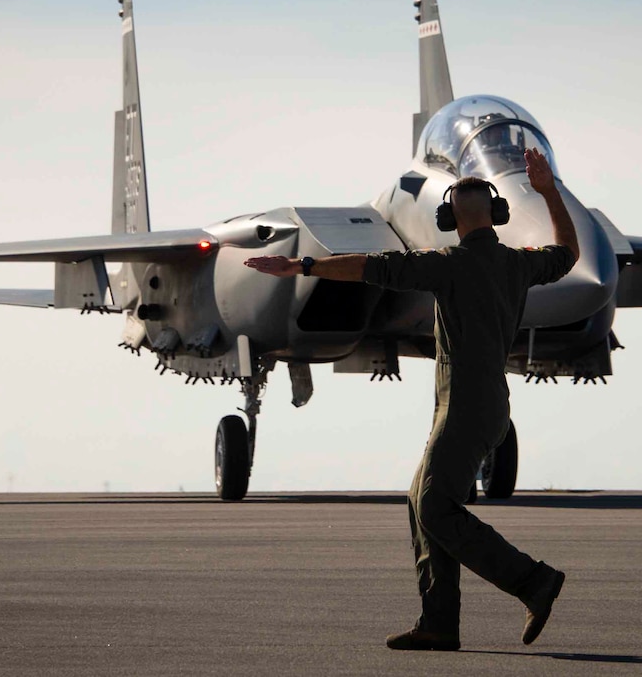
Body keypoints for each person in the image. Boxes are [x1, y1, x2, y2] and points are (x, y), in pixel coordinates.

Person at [243, 148, 579, 650]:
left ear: (449, 220)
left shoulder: (448, 265)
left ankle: (533, 581)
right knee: (420, 501)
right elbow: (568, 252)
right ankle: (439, 622)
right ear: (497, 215)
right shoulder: (517, 265)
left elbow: (370, 268)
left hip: (465, 406)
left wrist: (301, 265)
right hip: (483, 405)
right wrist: (549, 190)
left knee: (436, 506)